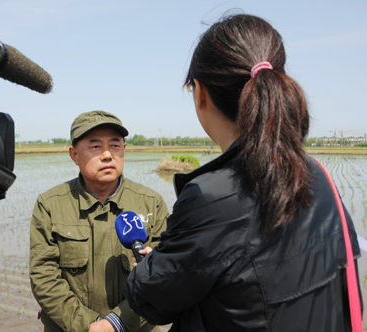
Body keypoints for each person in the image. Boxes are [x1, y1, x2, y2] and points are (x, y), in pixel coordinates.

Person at [126, 14, 362, 331]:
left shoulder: (212, 197)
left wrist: (152, 264)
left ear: (200, 94)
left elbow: (150, 298)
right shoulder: (317, 172)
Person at [30, 110, 168, 332]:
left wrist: (117, 323)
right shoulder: (50, 204)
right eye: (95, 146)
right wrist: (90, 326)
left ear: (124, 149)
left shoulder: (152, 203)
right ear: (74, 155)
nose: (107, 155)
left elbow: (166, 276)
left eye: (115, 145)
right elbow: (43, 276)